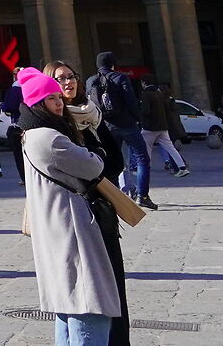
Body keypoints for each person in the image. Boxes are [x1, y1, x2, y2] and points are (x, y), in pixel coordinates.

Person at [14, 66, 130, 346]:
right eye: (52, 98)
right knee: (89, 304)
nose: (58, 103)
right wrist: (96, 153)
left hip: (60, 228)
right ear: (37, 104)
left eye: (58, 96)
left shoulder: (35, 134)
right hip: (72, 228)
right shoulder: (50, 137)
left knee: (69, 306)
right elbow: (94, 165)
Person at [90, 52, 155, 210]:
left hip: (106, 127)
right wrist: (137, 118)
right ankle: (143, 196)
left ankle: (113, 196)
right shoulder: (121, 78)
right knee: (142, 159)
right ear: (113, 64)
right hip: (127, 125)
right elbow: (131, 101)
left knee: (112, 162)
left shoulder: (91, 81)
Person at [141, 80, 188, 177]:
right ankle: (182, 167)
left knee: (146, 148)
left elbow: (146, 111)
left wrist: (140, 117)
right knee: (170, 148)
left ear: (143, 83)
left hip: (150, 127)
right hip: (163, 127)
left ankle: (145, 169)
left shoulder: (146, 94)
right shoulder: (160, 95)